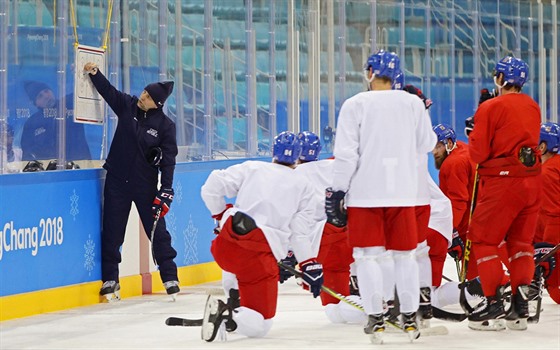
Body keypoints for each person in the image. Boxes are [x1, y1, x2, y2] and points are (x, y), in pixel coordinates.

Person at [326, 50, 436, 343]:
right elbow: (427, 143)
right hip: (403, 193)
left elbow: (346, 154)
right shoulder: (412, 103)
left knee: (367, 256)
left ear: (371, 72)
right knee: (406, 256)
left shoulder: (355, 104)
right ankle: (410, 316)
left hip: (365, 194)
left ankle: (376, 317)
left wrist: (338, 189)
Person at [199, 131, 322, 342]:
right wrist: (309, 263)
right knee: (261, 325)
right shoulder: (304, 186)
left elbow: (211, 186)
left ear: (273, 151)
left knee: (235, 264)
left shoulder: (252, 168)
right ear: (298, 156)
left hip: (226, 244)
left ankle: (233, 300)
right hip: (257, 256)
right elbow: (299, 233)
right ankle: (228, 313)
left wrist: (220, 214)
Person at [83, 62, 180, 301]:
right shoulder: (127, 106)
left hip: (145, 184)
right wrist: (95, 73)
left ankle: (169, 276)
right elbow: (109, 92)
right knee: (113, 231)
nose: (143, 96)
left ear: (158, 104)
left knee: (157, 231)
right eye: (144, 92)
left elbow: (168, 160)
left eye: (148, 96)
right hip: (117, 180)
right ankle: (110, 279)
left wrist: (166, 188)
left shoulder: (166, 126)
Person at [467, 56, 542, 331]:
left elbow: (478, 153)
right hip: (532, 182)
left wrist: (474, 132)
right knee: (522, 243)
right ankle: (520, 306)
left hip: (502, 181)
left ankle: (493, 304)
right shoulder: (533, 106)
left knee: (484, 240)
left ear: (500, 78)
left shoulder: (491, 106)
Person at [293, 131, 364, 324]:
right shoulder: (334, 166)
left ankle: (376, 311)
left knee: (334, 307)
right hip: (347, 234)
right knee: (335, 309)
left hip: (321, 242)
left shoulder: (293, 175)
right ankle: (374, 305)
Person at [20, 81, 91, 162]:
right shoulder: (32, 123)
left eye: (46, 91)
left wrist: (80, 74)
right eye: (40, 96)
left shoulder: (70, 103)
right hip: (49, 172)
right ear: (36, 104)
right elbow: (27, 155)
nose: (46, 96)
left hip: (80, 167)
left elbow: (88, 91)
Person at [534, 122, 560, 304]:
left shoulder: (547, 172)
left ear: (543, 146)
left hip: (553, 227)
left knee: (553, 284)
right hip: (549, 223)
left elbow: (553, 212)